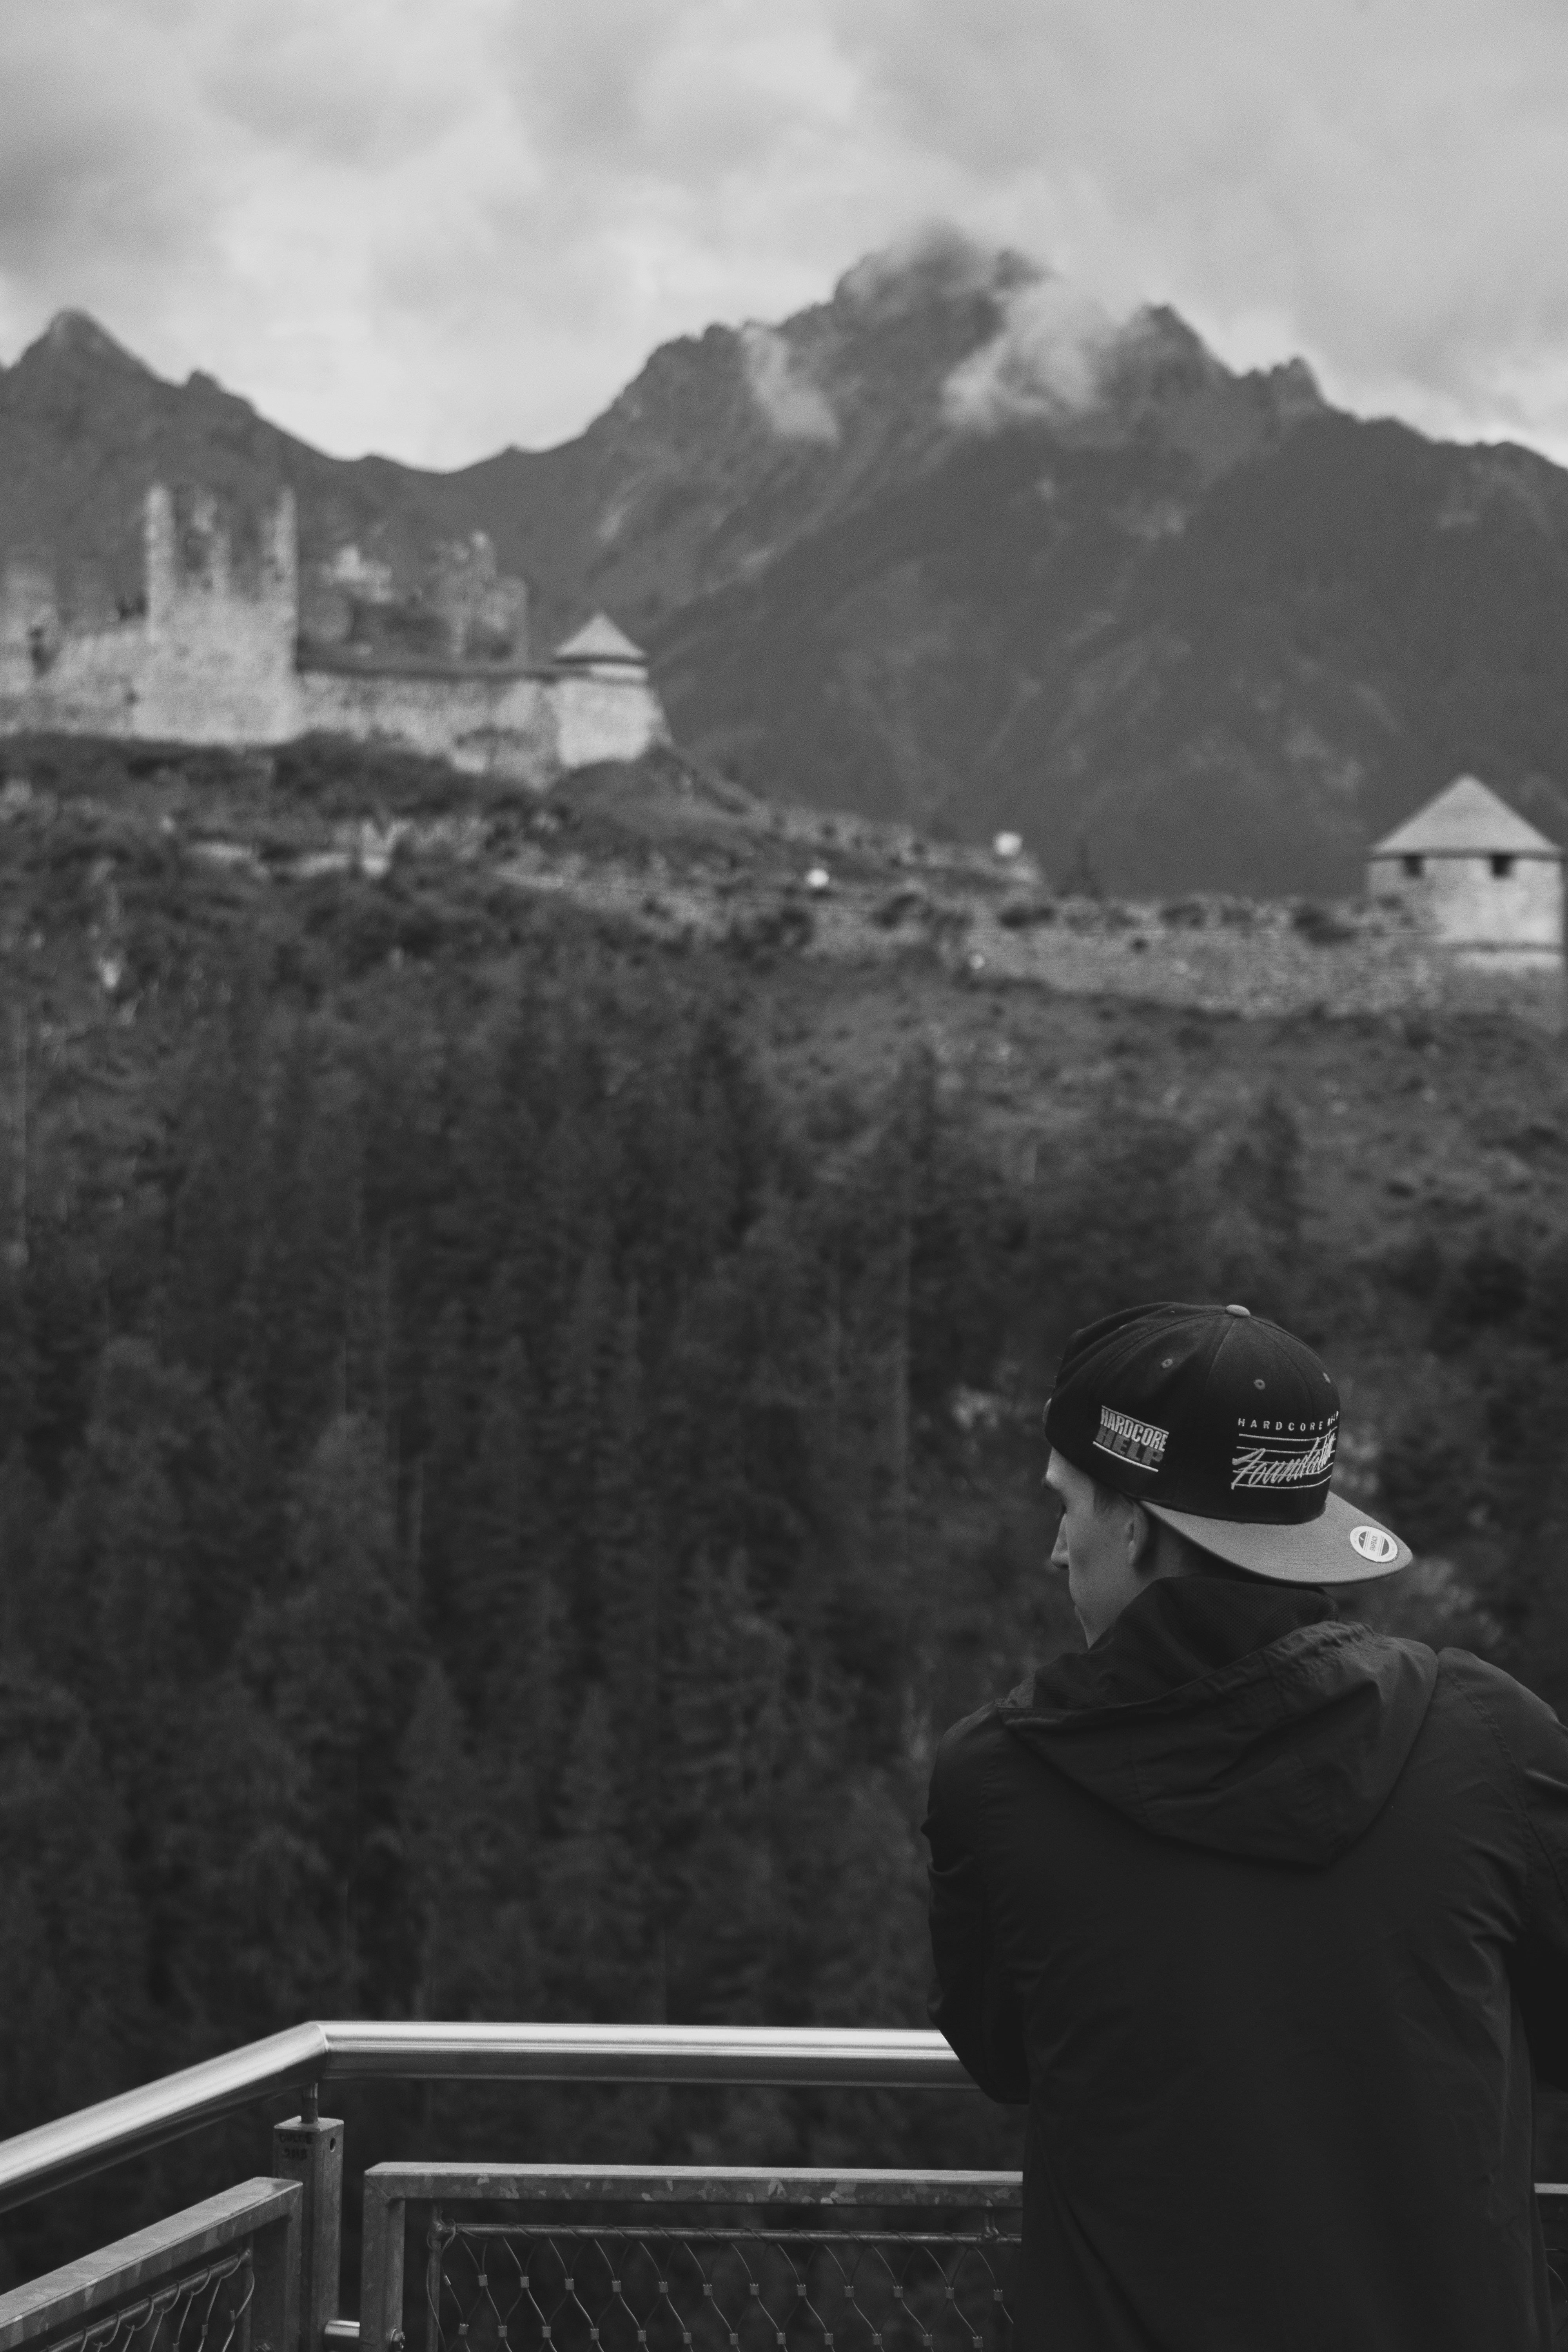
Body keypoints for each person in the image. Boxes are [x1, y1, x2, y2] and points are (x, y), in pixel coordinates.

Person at [924, 1299, 1568, 2352]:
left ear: (1133, 1523)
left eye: (1069, 1506)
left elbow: (1005, 2053)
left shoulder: (996, 1785)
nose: (1056, 1549)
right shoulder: (1487, 1737)